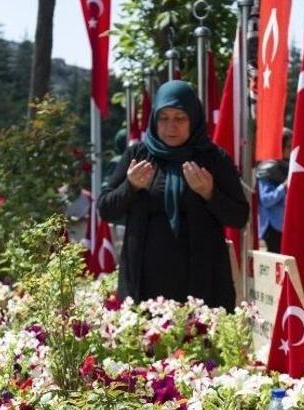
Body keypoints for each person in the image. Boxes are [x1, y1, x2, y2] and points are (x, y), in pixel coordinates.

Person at [98, 80, 248, 309]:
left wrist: (209, 193)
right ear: (154, 119)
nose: (171, 127)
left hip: (203, 285)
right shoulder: (138, 155)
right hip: (143, 285)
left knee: (200, 332)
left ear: (194, 119)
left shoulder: (214, 159)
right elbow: (106, 209)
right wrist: (130, 186)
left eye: (180, 118)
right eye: (164, 118)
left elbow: (239, 217)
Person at [255, 128, 291, 253]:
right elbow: (266, 199)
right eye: (288, 146)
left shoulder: (287, 166)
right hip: (273, 227)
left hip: (285, 225)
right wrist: (283, 187)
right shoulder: (268, 169)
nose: (291, 150)